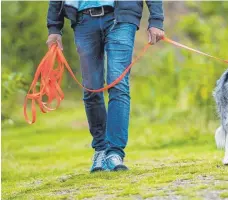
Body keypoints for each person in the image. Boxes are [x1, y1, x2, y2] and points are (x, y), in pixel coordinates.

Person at [46, 1, 165, 172]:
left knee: (118, 84)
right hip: (83, 20)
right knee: (91, 89)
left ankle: (115, 152)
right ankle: (101, 150)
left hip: (121, 17)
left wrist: (156, 20)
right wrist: (54, 28)